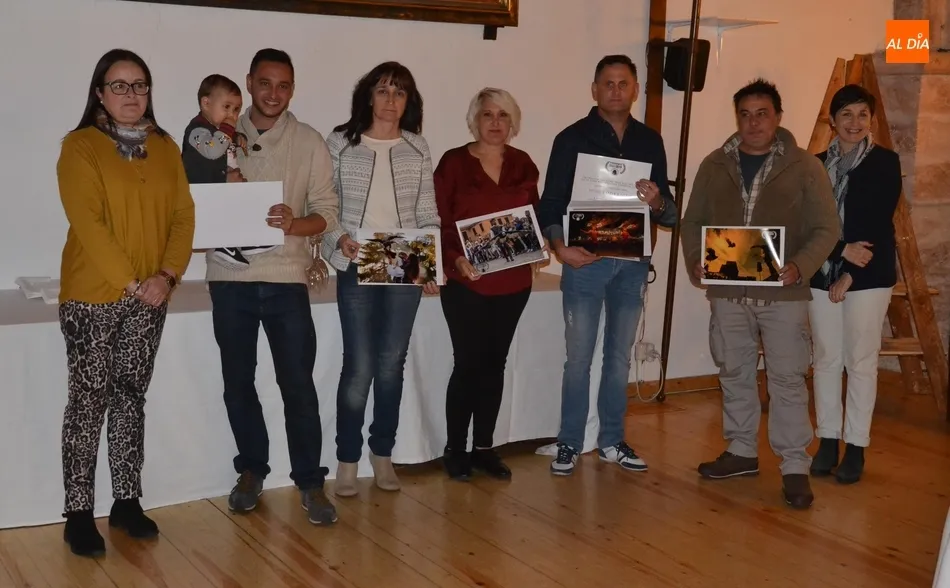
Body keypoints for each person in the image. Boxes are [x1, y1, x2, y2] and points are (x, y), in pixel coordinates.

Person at [56, 48, 195, 557]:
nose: (131, 95)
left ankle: (126, 501)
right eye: (119, 86)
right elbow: (88, 224)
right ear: (99, 93)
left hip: (153, 292)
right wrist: (134, 284)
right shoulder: (80, 147)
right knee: (88, 402)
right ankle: (76, 510)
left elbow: (183, 215)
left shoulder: (164, 147)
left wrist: (166, 277)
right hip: (94, 296)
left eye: (140, 85)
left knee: (130, 396)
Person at [680, 78, 839, 509]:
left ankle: (793, 466)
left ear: (778, 117)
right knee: (734, 371)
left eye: (762, 113)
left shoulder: (806, 167)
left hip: (784, 295)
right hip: (728, 292)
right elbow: (692, 221)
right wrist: (697, 258)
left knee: (787, 378)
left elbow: (828, 229)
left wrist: (800, 267)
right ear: (738, 119)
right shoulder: (715, 164)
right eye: (745, 115)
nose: (753, 123)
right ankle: (742, 452)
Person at [207, 48, 340, 525]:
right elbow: (190, 197)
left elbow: (328, 213)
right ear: (248, 83)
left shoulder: (308, 141)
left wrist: (295, 222)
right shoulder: (212, 136)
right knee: (238, 384)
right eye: (265, 83)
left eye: (284, 85)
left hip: (286, 280)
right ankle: (251, 470)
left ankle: (309, 481)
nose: (274, 94)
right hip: (229, 279)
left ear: (293, 89)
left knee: (298, 387)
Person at [536, 55, 678, 477]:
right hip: (585, 263)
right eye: (608, 83)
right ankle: (569, 443)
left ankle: (612, 440)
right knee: (578, 359)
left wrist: (656, 201)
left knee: (618, 358)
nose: (616, 90)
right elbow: (551, 202)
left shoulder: (651, 142)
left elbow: (669, 213)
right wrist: (561, 250)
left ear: (635, 89)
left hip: (632, 264)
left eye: (623, 83)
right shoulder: (570, 138)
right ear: (594, 89)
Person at [322, 61, 440, 497]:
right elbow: (323, 202)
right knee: (359, 366)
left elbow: (428, 213)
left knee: (391, 365)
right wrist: (337, 238)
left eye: (400, 92)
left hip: (405, 260)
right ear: (367, 96)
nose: (391, 100)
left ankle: (383, 454)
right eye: (383, 91)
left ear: (409, 102)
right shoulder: (340, 142)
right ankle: (347, 459)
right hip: (358, 260)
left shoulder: (417, 146)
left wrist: (431, 266)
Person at [434, 87, 543, 481]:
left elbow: (531, 217)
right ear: (474, 120)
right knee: (467, 365)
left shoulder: (524, 164)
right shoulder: (452, 163)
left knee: (494, 365)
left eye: (502, 116)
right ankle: (455, 448)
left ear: (512, 123)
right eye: (487, 115)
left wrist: (537, 248)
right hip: (466, 282)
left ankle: (484, 447)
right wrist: (455, 260)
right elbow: (439, 221)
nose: (495, 123)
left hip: (513, 284)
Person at [808, 84, 902, 484]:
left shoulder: (885, 162)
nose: (855, 123)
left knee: (861, 361)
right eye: (846, 114)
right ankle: (828, 439)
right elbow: (807, 225)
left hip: (869, 275)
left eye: (863, 115)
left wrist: (851, 272)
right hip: (822, 270)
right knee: (827, 358)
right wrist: (836, 256)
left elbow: (880, 223)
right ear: (832, 120)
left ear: (872, 121)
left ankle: (856, 445)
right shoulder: (812, 165)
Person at [180, 73, 275, 267]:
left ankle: (246, 241)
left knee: (243, 202)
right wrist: (228, 132)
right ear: (206, 103)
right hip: (203, 189)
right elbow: (213, 150)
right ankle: (222, 245)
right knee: (225, 212)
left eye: (236, 109)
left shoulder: (217, 130)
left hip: (218, 186)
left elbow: (219, 143)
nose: (232, 115)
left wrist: (235, 136)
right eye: (226, 107)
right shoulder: (196, 130)